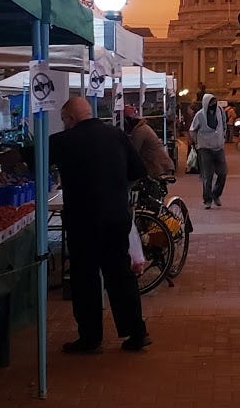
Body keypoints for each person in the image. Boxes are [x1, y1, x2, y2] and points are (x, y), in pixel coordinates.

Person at [49, 96, 149, 354]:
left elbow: (33, 160)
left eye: (63, 120)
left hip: (83, 220)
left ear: (70, 119)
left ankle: (90, 337)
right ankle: (136, 332)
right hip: (116, 216)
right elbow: (138, 171)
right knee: (120, 275)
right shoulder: (116, 135)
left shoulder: (63, 141)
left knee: (85, 277)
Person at [190, 93, 228, 208]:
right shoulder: (200, 115)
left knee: (223, 173)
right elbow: (192, 130)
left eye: (214, 102)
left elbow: (224, 125)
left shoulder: (220, 111)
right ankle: (207, 199)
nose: (213, 105)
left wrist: (223, 138)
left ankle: (216, 194)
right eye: (211, 103)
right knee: (208, 176)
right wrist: (197, 143)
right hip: (205, 149)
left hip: (218, 148)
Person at [124, 105, 175, 184]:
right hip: (161, 165)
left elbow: (134, 152)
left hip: (157, 167)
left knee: (130, 184)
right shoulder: (143, 127)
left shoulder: (139, 131)